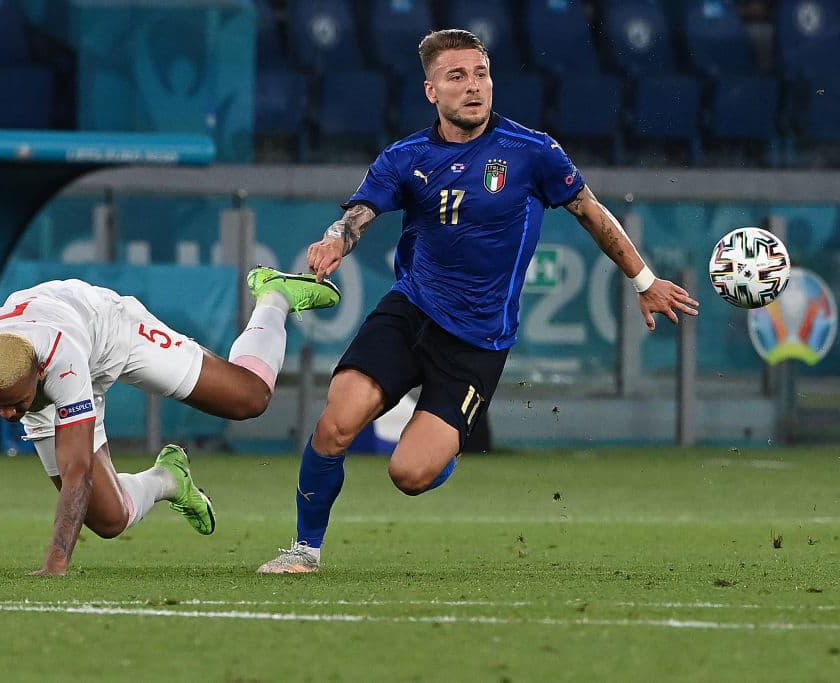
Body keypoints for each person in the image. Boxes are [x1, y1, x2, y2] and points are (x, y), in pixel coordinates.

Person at [256, 29, 700, 574]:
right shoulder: (407, 157)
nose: (474, 87)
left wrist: (644, 280)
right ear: (431, 92)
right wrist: (336, 241)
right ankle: (304, 550)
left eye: (481, 74)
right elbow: (360, 212)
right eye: (457, 77)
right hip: (411, 310)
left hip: (477, 340)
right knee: (335, 424)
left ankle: (444, 449)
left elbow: (589, 210)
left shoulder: (532, 151)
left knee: (409, 475)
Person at [0, 267, 340, 576]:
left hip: (108, 329)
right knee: (110, 520)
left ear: (39, 373)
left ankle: (275, 296)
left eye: (16, 404)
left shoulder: (62, 363)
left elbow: (77, 470)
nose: (6, 416)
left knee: (248, 398)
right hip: (48, 349)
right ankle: (167, 479)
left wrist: (56, 562)